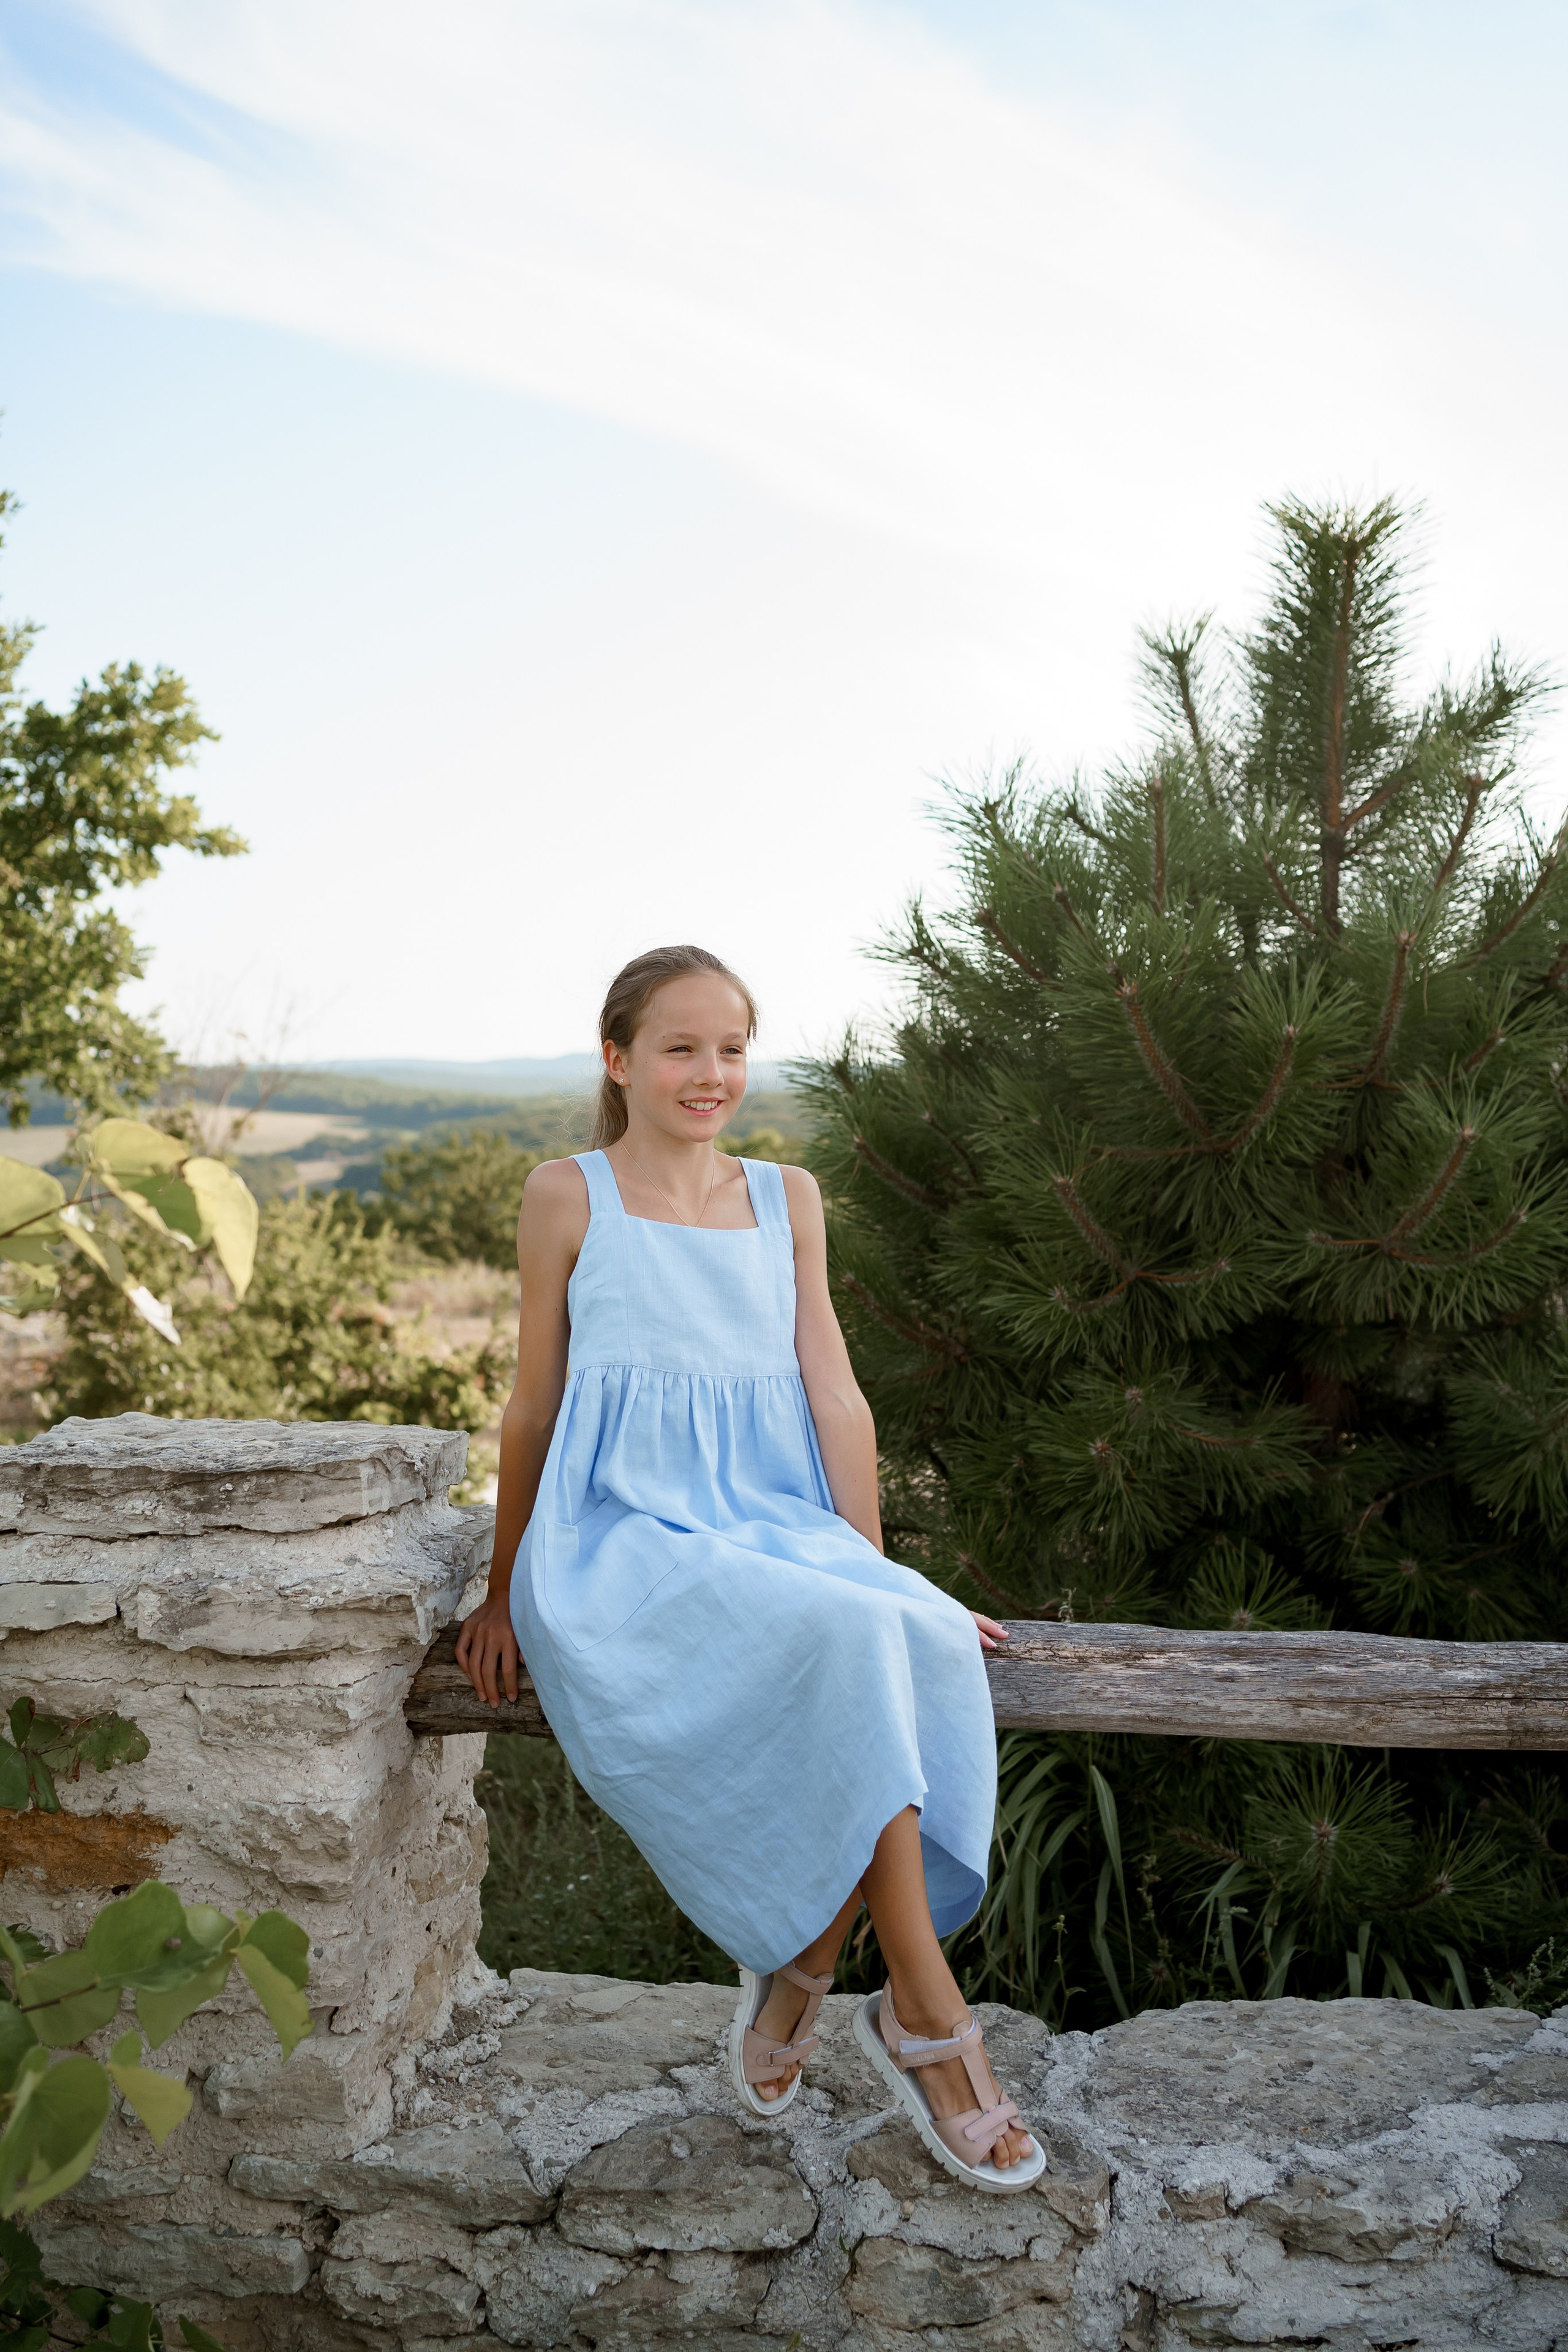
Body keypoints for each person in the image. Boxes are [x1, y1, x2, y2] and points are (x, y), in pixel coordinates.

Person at [456, 944, 1042, 2187]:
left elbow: (833, 1394)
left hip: (770, 1520)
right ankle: (924, 2017)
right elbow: (531, 1407)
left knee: (890, 1636)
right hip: (619, 1533)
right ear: (617, 1060)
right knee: (840, 1640)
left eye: (729, 1046)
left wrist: (874, 1581)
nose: (707, 1072)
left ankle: (812, 1973)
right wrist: (504, 1585)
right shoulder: (568, 1194)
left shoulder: (788, 1197)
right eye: (678, 1047)